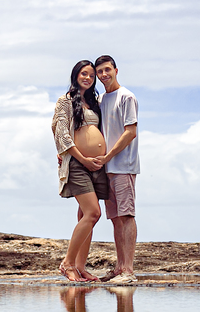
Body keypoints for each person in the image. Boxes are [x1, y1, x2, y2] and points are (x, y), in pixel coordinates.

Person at [51, 60, 109, 282]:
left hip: (96, 165)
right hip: (78, 164)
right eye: (84, 74)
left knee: (86, 216)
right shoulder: (65, 101)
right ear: (76, 75)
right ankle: (67, 264)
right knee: (94, 213)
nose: (88, 78)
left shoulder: (93, 102)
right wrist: (80, 157)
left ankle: (80, 266)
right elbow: (60, 131)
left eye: (91, 75)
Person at [94, 55, 138, 284]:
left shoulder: (127, 97)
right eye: (99, 71)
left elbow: (131, 131)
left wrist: (109, 156)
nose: (104, 75)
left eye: (107, 70)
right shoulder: (101, 99)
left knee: (126, 215)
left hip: (123, 165)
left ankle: (129, 271)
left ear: (116, 70)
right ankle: (120, 268)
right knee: (114, 218)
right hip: (105, 167)